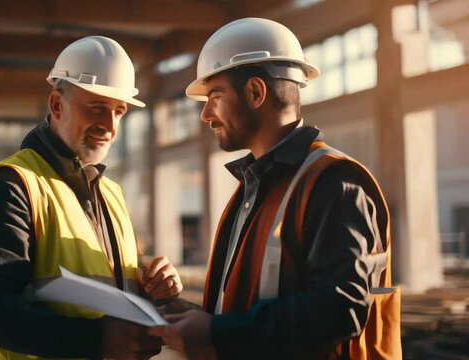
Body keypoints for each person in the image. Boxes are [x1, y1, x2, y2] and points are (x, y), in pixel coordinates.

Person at [150, 18, 401, 359]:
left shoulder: (334, 183)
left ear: (255, 92)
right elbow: (253, 304)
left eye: (215, 96)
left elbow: (339, 309)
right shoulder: (256, 188)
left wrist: (215, 331)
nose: (205, 114)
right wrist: (188, 313)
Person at [0, 36, 182, 360]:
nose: (110, 125)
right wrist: (97, 340)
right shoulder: (12, 187)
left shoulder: (109, 193)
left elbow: (106, 289)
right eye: (97, 108)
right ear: (57, 105)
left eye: (119, 111)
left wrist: (152, 286)